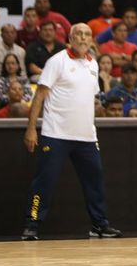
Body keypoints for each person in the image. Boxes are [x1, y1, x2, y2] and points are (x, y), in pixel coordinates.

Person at [21, 23, 121, 240]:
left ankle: (99, 225)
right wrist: (31, 129)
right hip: (56, 134)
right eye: (79, 34)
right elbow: (39, 96)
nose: (83, 38)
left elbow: (89, 98)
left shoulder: (93, 64)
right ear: (70, 38)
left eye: (87, 35)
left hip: (86, 136)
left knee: (95, 181)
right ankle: (32, 225)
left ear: (92, 40)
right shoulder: (57, 61)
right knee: (44, 181)